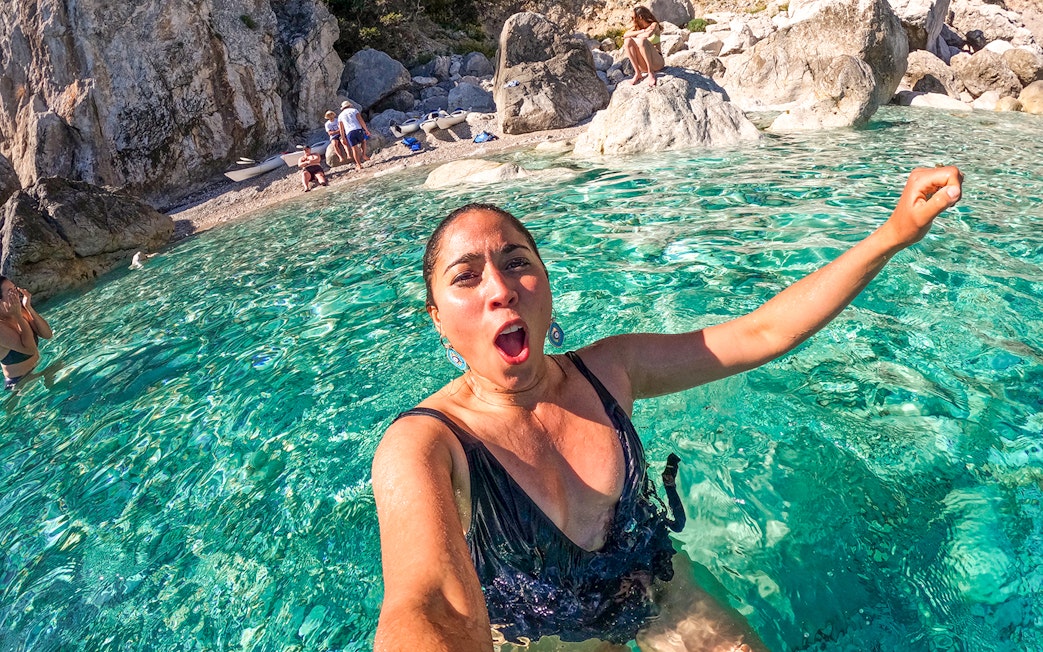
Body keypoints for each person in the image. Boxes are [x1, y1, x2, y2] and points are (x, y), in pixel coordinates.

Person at [371, 166, 964, 651]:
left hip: (653, 590)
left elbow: (763, 333)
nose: (499, 288)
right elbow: (431, 604)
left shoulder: (612, 369)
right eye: (466, 278)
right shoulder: (424, 444)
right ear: (439, 322)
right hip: (540, 636)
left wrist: (891, 234)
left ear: (547, 288)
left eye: (517, 262)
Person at [0, 276, 53, 390]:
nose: (17, 294)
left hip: (40, 369)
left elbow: (47, 334)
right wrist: (18, 316)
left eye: (15, 289)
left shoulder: (21, 311)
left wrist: (28, 307)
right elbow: (30, 350)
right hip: (20, 386)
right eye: (11, 292)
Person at [624, 6, 665, 87]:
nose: (631, 20)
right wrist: (642, 30)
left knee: (642, 40)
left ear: (640, 17)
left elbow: (648, 34)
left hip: (657, 62)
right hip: (643, 65)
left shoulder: (654, 25)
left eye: (633, 18)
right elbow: (625, 35)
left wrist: (638, 35)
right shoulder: (637, 28)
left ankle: (651, 73)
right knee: (627, 41)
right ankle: (637, 73)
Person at [337, 100, 372, 170]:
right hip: (357, 129)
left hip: (349, 132)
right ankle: (364, 154)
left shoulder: (340, 116)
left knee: (354, 149)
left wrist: (343, 138)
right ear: (349, 105)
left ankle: (359, 165)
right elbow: (360, 120)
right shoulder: (354, 111)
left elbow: (341, 128)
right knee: (363, 141)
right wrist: (366, 130)